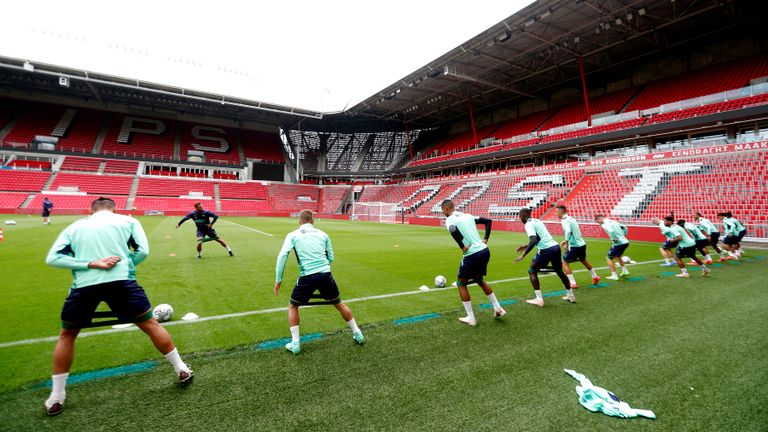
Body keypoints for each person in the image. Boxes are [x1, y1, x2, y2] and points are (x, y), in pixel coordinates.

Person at [44, 197, 193, 416]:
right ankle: (181, 369)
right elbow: (142, 251)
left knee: (68, 334)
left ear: (90, 210)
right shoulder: (128, 221)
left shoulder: (75, 227)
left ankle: (56, 397)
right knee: (150, 324)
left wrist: (90, 263)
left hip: (85, 285)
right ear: (114, 209)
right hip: (122, 282)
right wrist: (125, 264)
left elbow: (53, 258)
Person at [275, 209, 364, 354]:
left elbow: (282, 255)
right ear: (313, 221)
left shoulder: (293, 235)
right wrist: (323, 267)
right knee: (338, 303)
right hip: (325, 274)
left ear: (299, 222)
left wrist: (278, 279)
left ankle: (295, 344)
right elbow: (331, 257)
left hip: (307, 276)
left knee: (292, 306)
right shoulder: (323, 234)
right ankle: (358, 334)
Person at [440, 199, 505, 325]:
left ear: (446, 209)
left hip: (472, 254)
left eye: (443, 210)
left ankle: (471, 318)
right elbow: (488, 221)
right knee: (479, 279)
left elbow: (453, 230)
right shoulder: (467, 215)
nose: (443, 213)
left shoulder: (450, 219)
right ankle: (498, 308)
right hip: (484, 250)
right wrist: (486, 238)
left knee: (461, 283)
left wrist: (462, 246)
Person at [514, 208, 575, 307]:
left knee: (532, 271)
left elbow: (533, 240)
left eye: (520, 217)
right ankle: (571, 296)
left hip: (546, 250)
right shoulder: (537, 221)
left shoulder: (528, 224)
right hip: (555, 247)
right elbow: (538, 238)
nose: (520, 219)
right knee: (559, 271)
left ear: (523, 216)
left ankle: (539, 299)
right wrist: (525, 246)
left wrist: (523, 255)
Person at [556, 205, 600, 288]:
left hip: (575, 246)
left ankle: (572, 283)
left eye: (556, 212)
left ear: (560, 212)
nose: (556, 213)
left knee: (564, 262)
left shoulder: (564, 220)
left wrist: (566, 242)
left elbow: (568, 231)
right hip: (582, 244)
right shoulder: (572, 219)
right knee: (583, 260)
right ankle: (595, 276)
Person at [594, 214, 630, 281]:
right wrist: (623, 235)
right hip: (625, 242)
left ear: (600, 219)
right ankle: (625, 271)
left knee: (608, 258)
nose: (599, 224)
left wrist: (614, 238)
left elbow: (611, 231)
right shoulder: (613, 221)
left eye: (598, 222)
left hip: (618, 243)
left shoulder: (605, 224)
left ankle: (614, 276)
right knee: (618, 257)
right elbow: (625, 227)